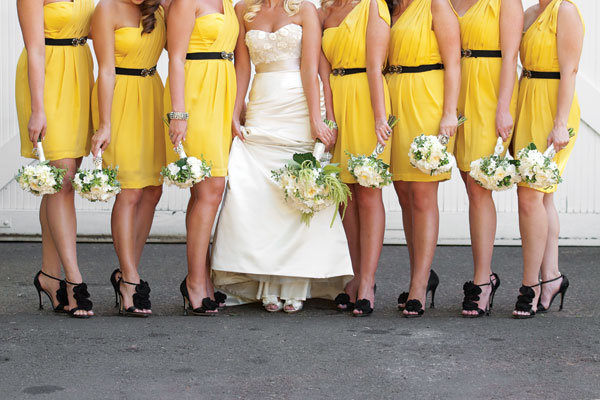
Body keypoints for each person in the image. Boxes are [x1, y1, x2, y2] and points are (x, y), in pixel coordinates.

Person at [211, 0, 353, 314]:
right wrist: (236, 111)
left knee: (298, 192)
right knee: (261, 193)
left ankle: (296, 284)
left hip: (298, 105)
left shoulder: (305, 10)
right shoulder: (242, 10)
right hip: (262, 104)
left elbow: (311, 66)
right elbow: (242, 67)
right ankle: (266, 284)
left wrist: (318, 118)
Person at [17, 0, 95, 318]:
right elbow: (34, 49)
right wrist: (38, 109)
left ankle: (49, 276)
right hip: (46, 80)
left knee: (62, 180)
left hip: (78, 71)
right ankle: (74, 279)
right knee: (61, 177)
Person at [91, 0, 168, 317]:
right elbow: (105, 70)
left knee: (153, 189)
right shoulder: (106, 9)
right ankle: (130, 280)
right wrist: (104, 124)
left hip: (152, 93)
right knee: (129, 189)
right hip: (120, 97)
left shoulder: (160, 8)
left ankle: (127, 270)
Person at [385, 0, 460, 317]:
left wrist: (449, 113)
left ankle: (418, 286)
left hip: (426, 99)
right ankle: (421, 274)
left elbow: (453, 61)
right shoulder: (388, 8)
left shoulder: (435, 4)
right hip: (393, 99)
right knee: (403, 192)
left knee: (422, 194)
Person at [164, 0, 239, 316]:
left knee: (206, 193)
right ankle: (195, 282)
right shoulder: (185, 2)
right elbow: (176, 59)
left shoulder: (228, 3)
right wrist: (178, 113)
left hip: (221, 94)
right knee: (210, 190)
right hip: (195, 96)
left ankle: (201, 279)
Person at [511, 0, 583, 318]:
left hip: (553, 108)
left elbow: (570, 70)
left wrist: (559, 123)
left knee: (530, 195)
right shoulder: (529, 13)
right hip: (527, 99)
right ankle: (551, 276)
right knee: (541, 198)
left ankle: (531, 285)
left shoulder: (564, 11)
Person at [320, 0, 392, 317]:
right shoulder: (327, 9)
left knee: (367, 191)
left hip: (366, 98)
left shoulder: (374, 6)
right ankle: (354, 275)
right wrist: (328, 115)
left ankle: (368, 282)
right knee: (344, 196)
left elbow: (376, 66)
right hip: (337, 96)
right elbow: (322, 68)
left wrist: (380, 118)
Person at [451, 0, 522, 317]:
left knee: (480, 186)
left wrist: (504, 107)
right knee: (469, 183)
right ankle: (485, 275)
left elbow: (511, 57)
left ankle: (482, 279)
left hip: (491, 91)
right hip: (456, 89)